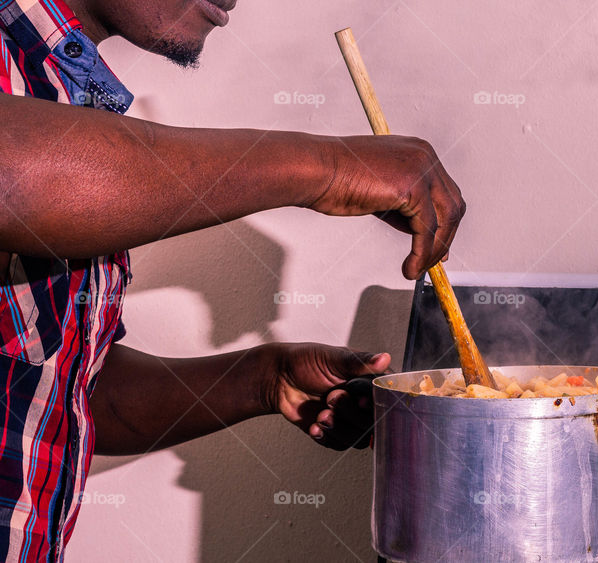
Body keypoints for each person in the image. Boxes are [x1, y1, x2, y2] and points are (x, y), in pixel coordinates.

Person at [0, 0, 466, 559]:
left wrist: (263, 378)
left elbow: (57, 387)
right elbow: (16, 177)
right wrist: (329, 166)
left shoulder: (54, 84)